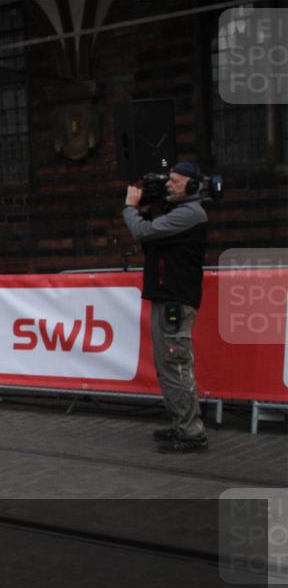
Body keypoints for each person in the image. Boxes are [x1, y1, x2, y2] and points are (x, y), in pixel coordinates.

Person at [123, 161, 209, 454]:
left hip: (176, 299)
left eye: (175, 180)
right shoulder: (178, 213)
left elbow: (143, 234)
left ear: (192, 185)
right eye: (168, 179)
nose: (168, 185)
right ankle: (181, 424)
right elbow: (153, 245)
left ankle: (192, 433)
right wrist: (145, 211)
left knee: (176, 366)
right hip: (166, 296)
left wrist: (130, 209)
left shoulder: (189, 214)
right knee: (166, 366)